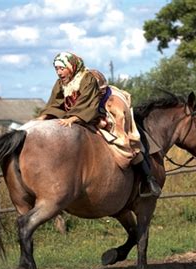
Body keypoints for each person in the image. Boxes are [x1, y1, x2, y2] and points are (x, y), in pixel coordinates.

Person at [37, 52, 161, 197]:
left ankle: (148, 179)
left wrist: (81, 119)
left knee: (130, 145)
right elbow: (57, 103)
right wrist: (44, 116)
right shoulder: (66, 83)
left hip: (113, 116)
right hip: (88, 115)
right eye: (56, 69)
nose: (59, 72)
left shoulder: (110, 98)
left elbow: (103, 111)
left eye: (61, 68)